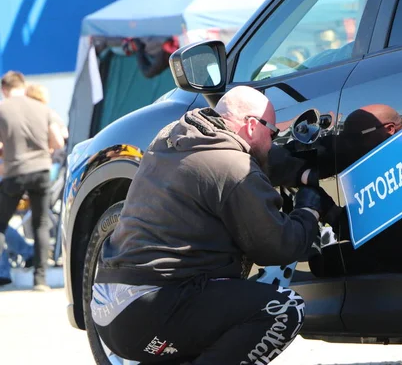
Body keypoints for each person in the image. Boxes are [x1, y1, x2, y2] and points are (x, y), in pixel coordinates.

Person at [91, 86, 333, 364]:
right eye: (273, 133)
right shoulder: (234, 167)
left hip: (111, 315)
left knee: (214, 309)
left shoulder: (172, 136)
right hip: (153, 315)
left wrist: (299, 172)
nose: (273, 141)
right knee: (285, 309)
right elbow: (278, 247)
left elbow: (243, 161)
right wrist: (308, 210)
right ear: (252, 126)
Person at [0, 71, 65, 290]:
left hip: (14, 171)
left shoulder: (3, 108)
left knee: (0, 224)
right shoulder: (42, 107)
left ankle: (2, 273)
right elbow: (57, 141)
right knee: (41, 224)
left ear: (4, 89)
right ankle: (40, 280)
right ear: (22, 85)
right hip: (41, 171)